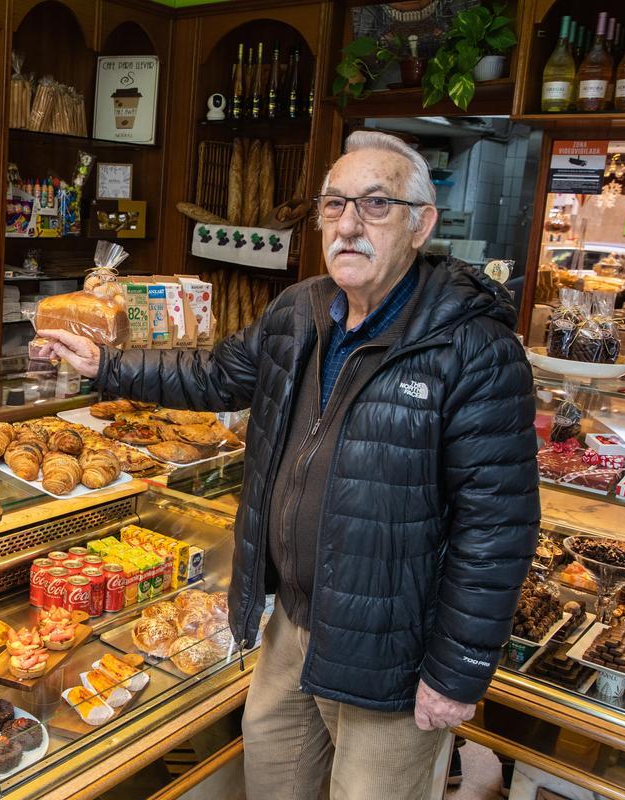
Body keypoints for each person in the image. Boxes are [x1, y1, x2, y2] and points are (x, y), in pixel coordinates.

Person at [42, 131, 539, 800]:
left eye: (375, 204)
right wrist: (108, 365)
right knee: (271, 780)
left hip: (390, 652)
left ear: (422, 224)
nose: (349, 224)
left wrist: (458, 671)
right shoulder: (299, 313)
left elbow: (497, 527)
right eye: (334, 205)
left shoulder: (474, 347)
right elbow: (215, 375)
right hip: (292, 627)